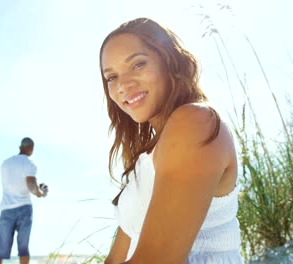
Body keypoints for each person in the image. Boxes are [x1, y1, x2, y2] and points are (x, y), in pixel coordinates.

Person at [100, 18, 243, 263]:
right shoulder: (145, 161)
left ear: (170, 62)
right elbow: (115, 259)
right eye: (111, 77)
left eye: (137, 64)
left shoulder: (196, 122)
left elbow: (155, 259)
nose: (123, 85)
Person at [0, 137, 47, 264]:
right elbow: (32, 186)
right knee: (23, 248)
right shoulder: (29, 162)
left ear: (20, 147)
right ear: (31, 149)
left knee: (0, 250)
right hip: (24, 208)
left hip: (6, 209)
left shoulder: (5, 163)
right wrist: (41, 193)